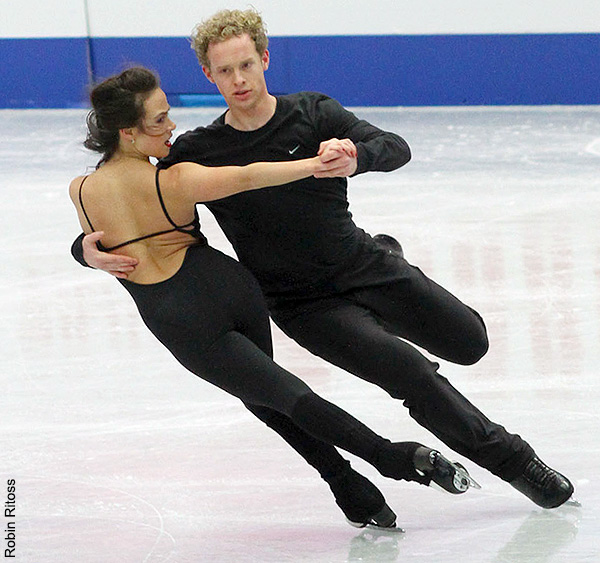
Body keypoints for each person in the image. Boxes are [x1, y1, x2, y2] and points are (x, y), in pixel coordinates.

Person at [71, 9, 575, 513]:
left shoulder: (312, 113)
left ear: (265, 59)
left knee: (470, 343)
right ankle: (517, 463)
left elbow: (395, 147)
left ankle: (388, 265)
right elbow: (128, 193)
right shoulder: (198, 152)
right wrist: (87, 249)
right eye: (224, 71)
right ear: (208, 74)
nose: (238, 79)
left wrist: (359, 156)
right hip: (304, 303)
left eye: (246, 64)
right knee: (411, 373)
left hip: (365, 265)